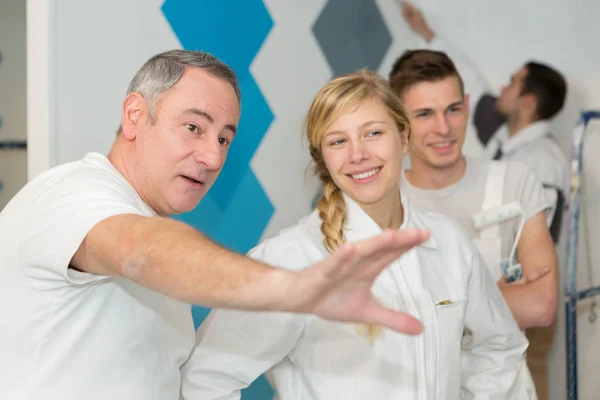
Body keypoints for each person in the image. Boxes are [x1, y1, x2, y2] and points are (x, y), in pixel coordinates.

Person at [0, 50, 431, 400]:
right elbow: (138, 247)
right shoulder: (70, 193)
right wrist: (291, 290)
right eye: (193, 127)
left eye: (224, 138)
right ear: (135, 115)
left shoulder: (150, 224)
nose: (213, 157)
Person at [181, 70, 527, 399]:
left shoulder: (448, 242)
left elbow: (498, 346)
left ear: (404, 138)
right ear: (323, 160)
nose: (358, 154)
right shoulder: (288, 259)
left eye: (373, 133)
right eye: (338, 141)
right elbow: (205, 379)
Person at [396, 3, 569, 398]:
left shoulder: (523, 172)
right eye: (424, 113)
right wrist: (492, 299)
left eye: (454, 109)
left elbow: (540, 304)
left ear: (466, 107)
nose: (444, 127)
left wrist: (427, 306)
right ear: (399, 120)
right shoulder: (382, 199)